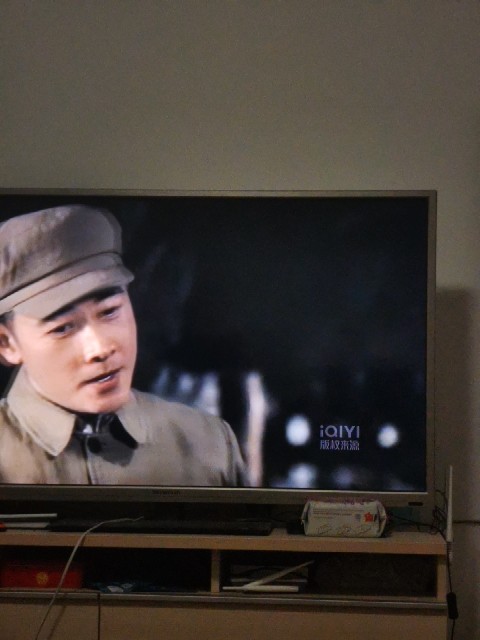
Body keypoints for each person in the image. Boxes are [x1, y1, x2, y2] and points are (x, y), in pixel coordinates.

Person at [0, 205, 246, 486]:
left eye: (109, 311)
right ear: (7, 344)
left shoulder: (208, 442)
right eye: (63, 328)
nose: (100, 349)